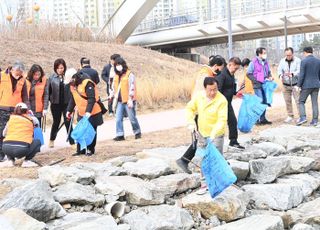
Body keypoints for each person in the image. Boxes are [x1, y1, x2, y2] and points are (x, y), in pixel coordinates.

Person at [176, 77, 228, 174]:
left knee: (216, 158)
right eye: (210, 90)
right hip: (203, 133)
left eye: (215, 89)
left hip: (216, 135)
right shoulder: (199, 97)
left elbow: (222, 119)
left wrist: (214, 133)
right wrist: (191, 123)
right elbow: (189, 109)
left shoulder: (222, 100)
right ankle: (205, 182)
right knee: (204, 158)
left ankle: (219, 181)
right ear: (205, 89)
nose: (213, 92)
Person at [67, 71, 103, 156]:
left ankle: (90, 149)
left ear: (74, 78)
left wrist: (88, 112)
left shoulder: (87, 83)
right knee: (81, 131)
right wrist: (69, 110)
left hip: (92, 112)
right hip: (81, 112)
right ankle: (80, 150)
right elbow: (73, 99)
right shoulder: (73, 85)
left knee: (91, 131)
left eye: (70, 81)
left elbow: (91, 99)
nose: (70, 84)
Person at [0, 61, 30, 161]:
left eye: (20, 73)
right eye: (17, 72)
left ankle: (9, 155)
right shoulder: (2, 76)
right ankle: (1, 154)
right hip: (2, 108)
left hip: (16, 111)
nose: (19, 74)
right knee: (1, 132)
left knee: (12, 132)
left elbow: (25, 96)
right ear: (13, 69)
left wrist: (27, 108)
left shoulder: (23, 80)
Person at [216, 57, 245, 149]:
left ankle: (233, 141)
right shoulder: (222, 75)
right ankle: (229, 141)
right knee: (229, 122)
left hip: (227, 102)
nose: (235, 70)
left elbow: (230, 89)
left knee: (232, 121)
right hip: (221, 104)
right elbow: (218, 90)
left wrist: (237, 93)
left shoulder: (231, 74)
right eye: (235, 68)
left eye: (237, 69)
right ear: (229, 64)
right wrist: (221, 103)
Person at [1, 102, 40, 167]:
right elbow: (37, 126)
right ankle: (27, 161)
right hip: (22, 150)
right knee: (38, 142)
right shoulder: (32, 119)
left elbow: (3, 134)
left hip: (6, 149)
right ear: (27, 110)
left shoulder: (11, 119)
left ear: (15, 110)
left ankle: (10, 160)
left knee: (8, 139)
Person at [48, 58, 75, 148]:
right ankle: (52, 139)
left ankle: (72, 142)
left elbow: (72, 90)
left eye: (62, 68)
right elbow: (48, 92)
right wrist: (50, 100)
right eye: (58, 68)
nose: (60, 70)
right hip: (55, 104)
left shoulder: (68, 77)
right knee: (56, 122)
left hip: (66, 104)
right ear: (55, 68)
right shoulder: (51, 78)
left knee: (68, 122)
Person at [112, 57, 141, 141]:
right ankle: (120, 134)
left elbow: (132, 87)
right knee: (118, 119)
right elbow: (114, 87)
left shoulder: (129, 74)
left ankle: (137, 132)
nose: (118, 66)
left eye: (119, 64)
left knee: (132, 118)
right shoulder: (116, 76)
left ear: (123, 64)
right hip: (120, 101)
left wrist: (130, 99)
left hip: (128, 100)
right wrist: (112, 95)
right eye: (116, 65)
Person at [247, 47, 273, 125]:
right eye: (264, 53)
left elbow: (268, 72)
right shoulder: (253, 62)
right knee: (259, 102)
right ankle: (256, 120)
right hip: (257, 85)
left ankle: (263, 119)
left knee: (265, 102)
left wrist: (270, 76)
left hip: (265, 84)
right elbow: (249, 73)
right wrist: (255, 82)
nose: (265, 54)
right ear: (259, 54)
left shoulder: (265, 62)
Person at [296, 46, 320, 126]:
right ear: (312, 51)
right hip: (316, 85)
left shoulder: (304, 61)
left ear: (305, 52)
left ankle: (303, 118)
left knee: (301, 101)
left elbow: (302, 75)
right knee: (315, 103)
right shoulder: (318, 61)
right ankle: (315, 120)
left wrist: (298, 85)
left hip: (306, 85)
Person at [278, 47, 301, 123]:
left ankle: (301, 116)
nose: (288, 57)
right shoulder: (282, 61)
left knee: (298, 101)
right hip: (285, 84)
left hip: (295, 84)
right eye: (287, 55)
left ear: (292, 54)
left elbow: (299, 71)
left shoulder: (298, 60)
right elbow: (279, 70)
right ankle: (290, 116)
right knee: (287, 101)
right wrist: (281, 75)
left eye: (290, 55)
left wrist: (293, 74)